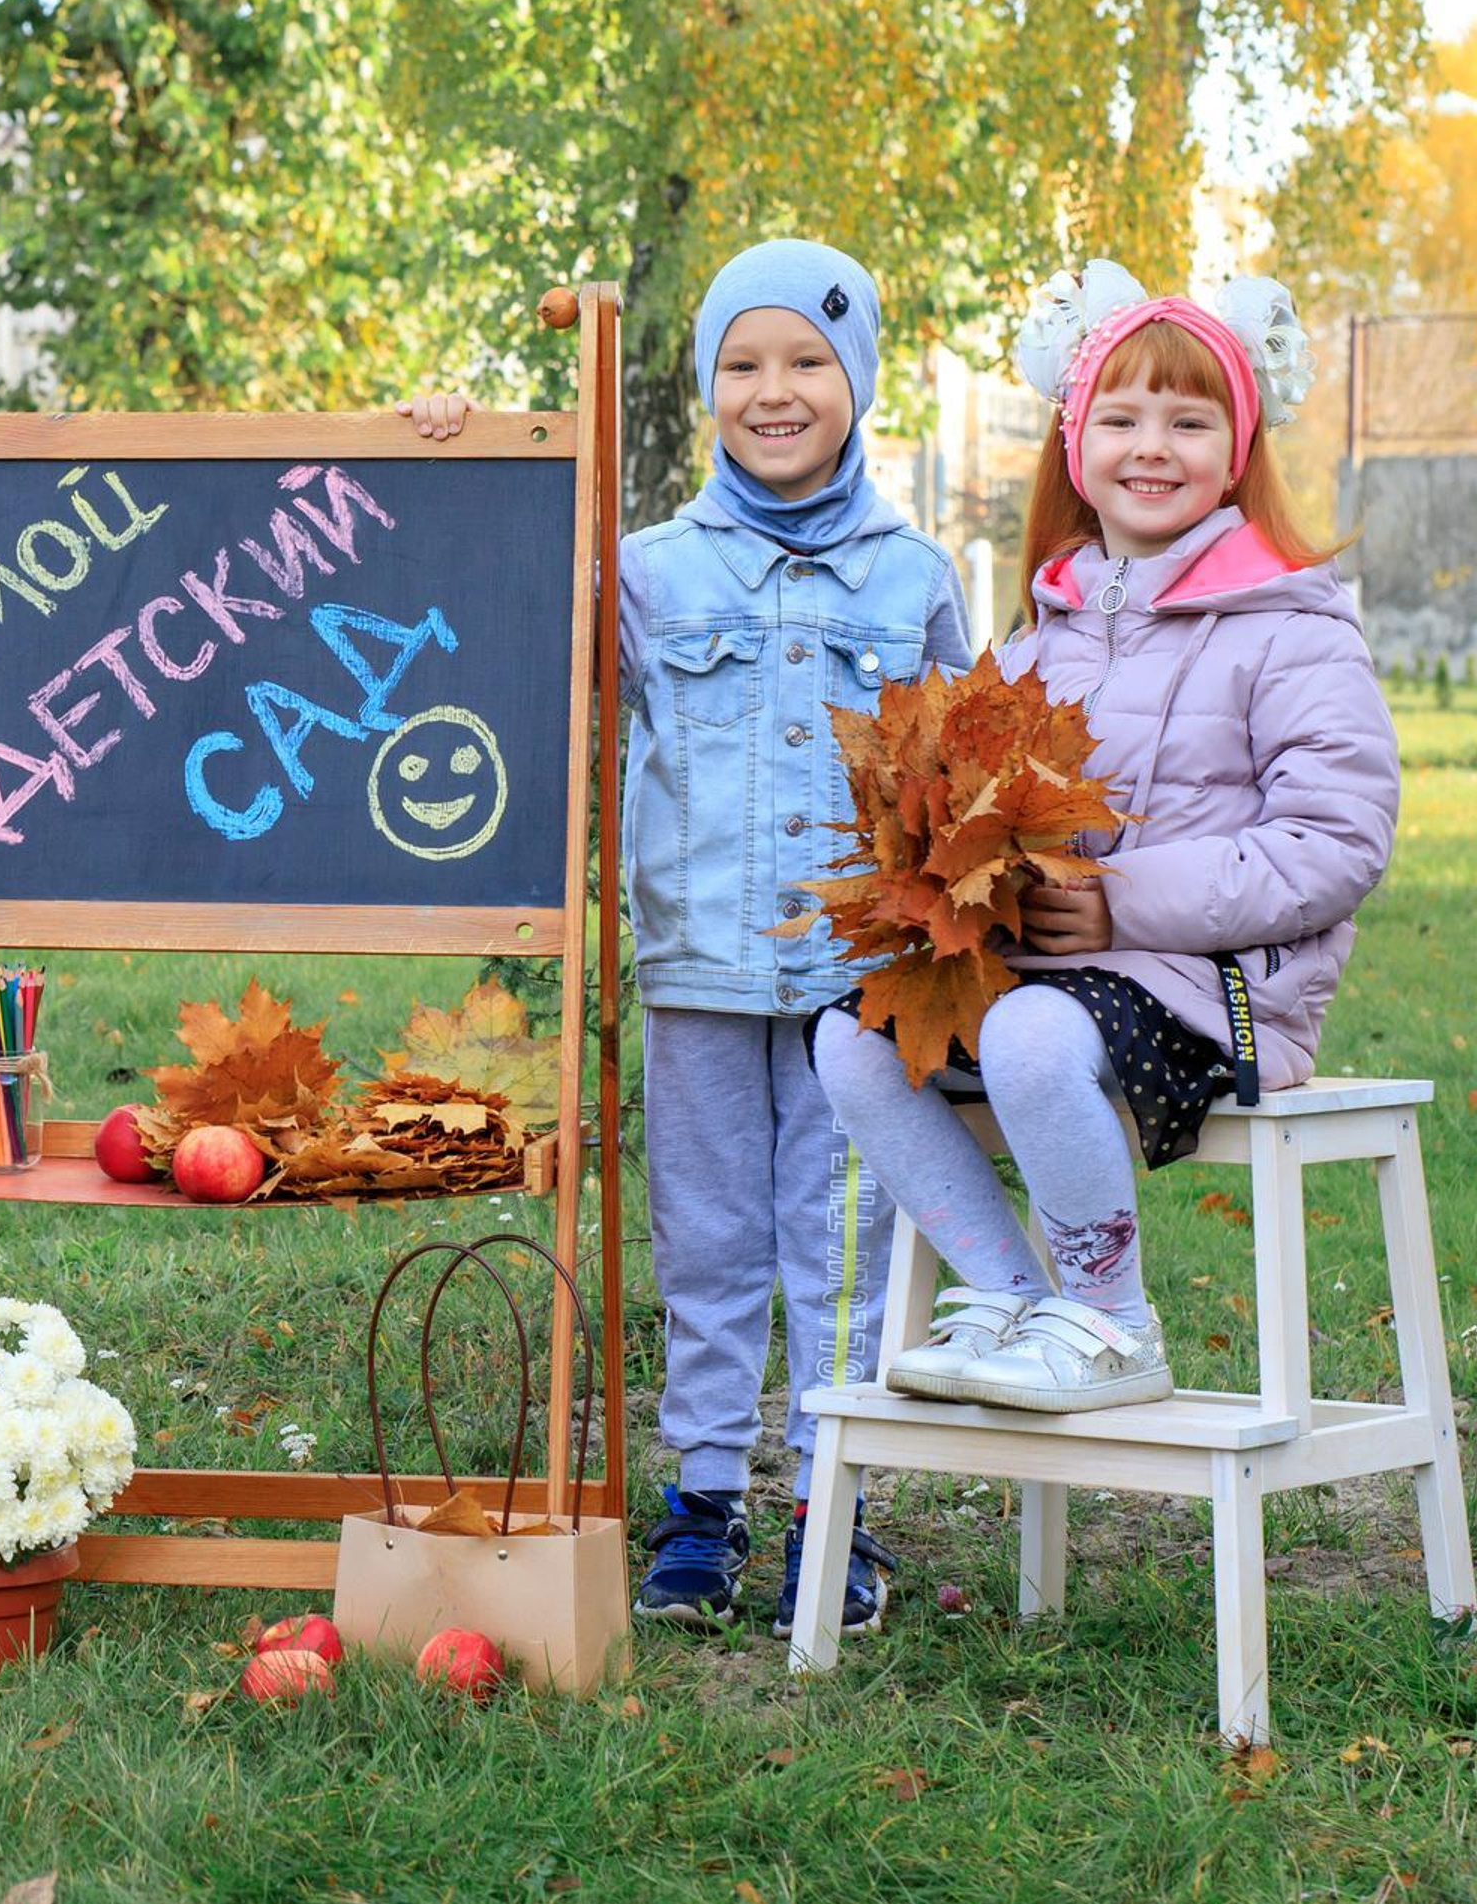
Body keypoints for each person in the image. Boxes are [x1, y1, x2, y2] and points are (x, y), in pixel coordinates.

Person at [399, 241, 967, 1636]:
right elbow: (515, 625)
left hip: (860, 987)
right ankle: (700, 1509)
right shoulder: (648, 572)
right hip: (701, 974)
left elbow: (969, 785)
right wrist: (468, 457)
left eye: (806, 363)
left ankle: (833, 1508)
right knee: (707, 1241)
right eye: (741, 364)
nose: (774, 393)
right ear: (709, 384)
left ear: (861, 377)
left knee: (841, 1244)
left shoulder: (913, 581)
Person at [814, 266, 1396, 1410]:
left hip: (1213, 985)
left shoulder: (1290, 628)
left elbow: (1334, 841)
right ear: (1076, 444)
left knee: (1030, 1033)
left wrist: (1126, 902)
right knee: (854, 1039)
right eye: (1120, 417)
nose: (1152, 446)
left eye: (1189, 420)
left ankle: (1113, 1319)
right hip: (1052, 973)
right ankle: (1011, 1294)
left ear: (1236, 449)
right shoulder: (1043, 636)